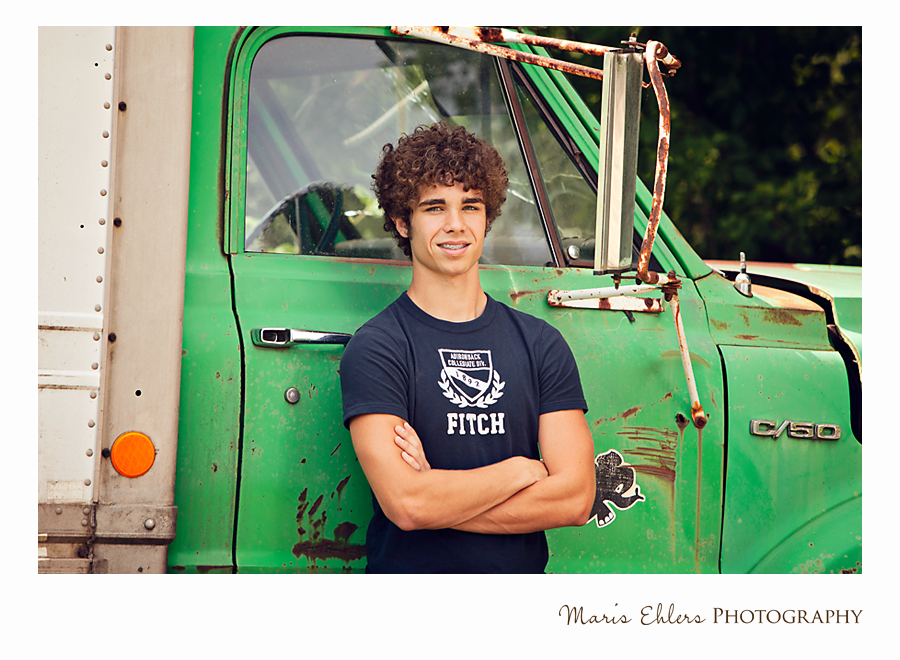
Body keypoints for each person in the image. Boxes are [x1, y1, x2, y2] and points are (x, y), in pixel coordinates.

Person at [340, 121, 595, 573]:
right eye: (435, 207)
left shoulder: (540, 343)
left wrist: (439, 498)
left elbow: (575, 500)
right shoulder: (378, 348)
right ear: (402, 221)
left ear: (487, 217)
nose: (455, 225)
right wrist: (520, 471)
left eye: (470, 206)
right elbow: (407, 505)